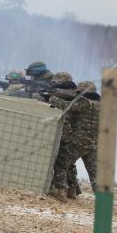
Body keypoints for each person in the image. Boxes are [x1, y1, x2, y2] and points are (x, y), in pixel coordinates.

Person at [49, 81, 100, 199]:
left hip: (77, 142)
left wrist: (51, 98)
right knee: (95, 175)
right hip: (93, 145)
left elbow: (67, 106)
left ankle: (62, 194)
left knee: (61, 164)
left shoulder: (83, 102)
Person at [48, 72, 78, 202]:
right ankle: (73, 190)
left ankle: (61, 193)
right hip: (74, 135)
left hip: (63, 133)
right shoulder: (77, 96)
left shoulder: (62, 95)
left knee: (60, 163)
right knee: (69, 164)